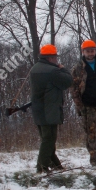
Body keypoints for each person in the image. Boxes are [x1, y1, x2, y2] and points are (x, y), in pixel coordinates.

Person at [30, 44, 73, 173]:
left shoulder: (34, 69)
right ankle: (41, 168)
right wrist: (64, 69)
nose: (57, 60)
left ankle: (56, 166)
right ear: (49, 58)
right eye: (55, 57)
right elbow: (68, 81)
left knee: (47, 140)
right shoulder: (52, 71)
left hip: (38, 110)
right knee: (49, 140)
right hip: (49, 111)